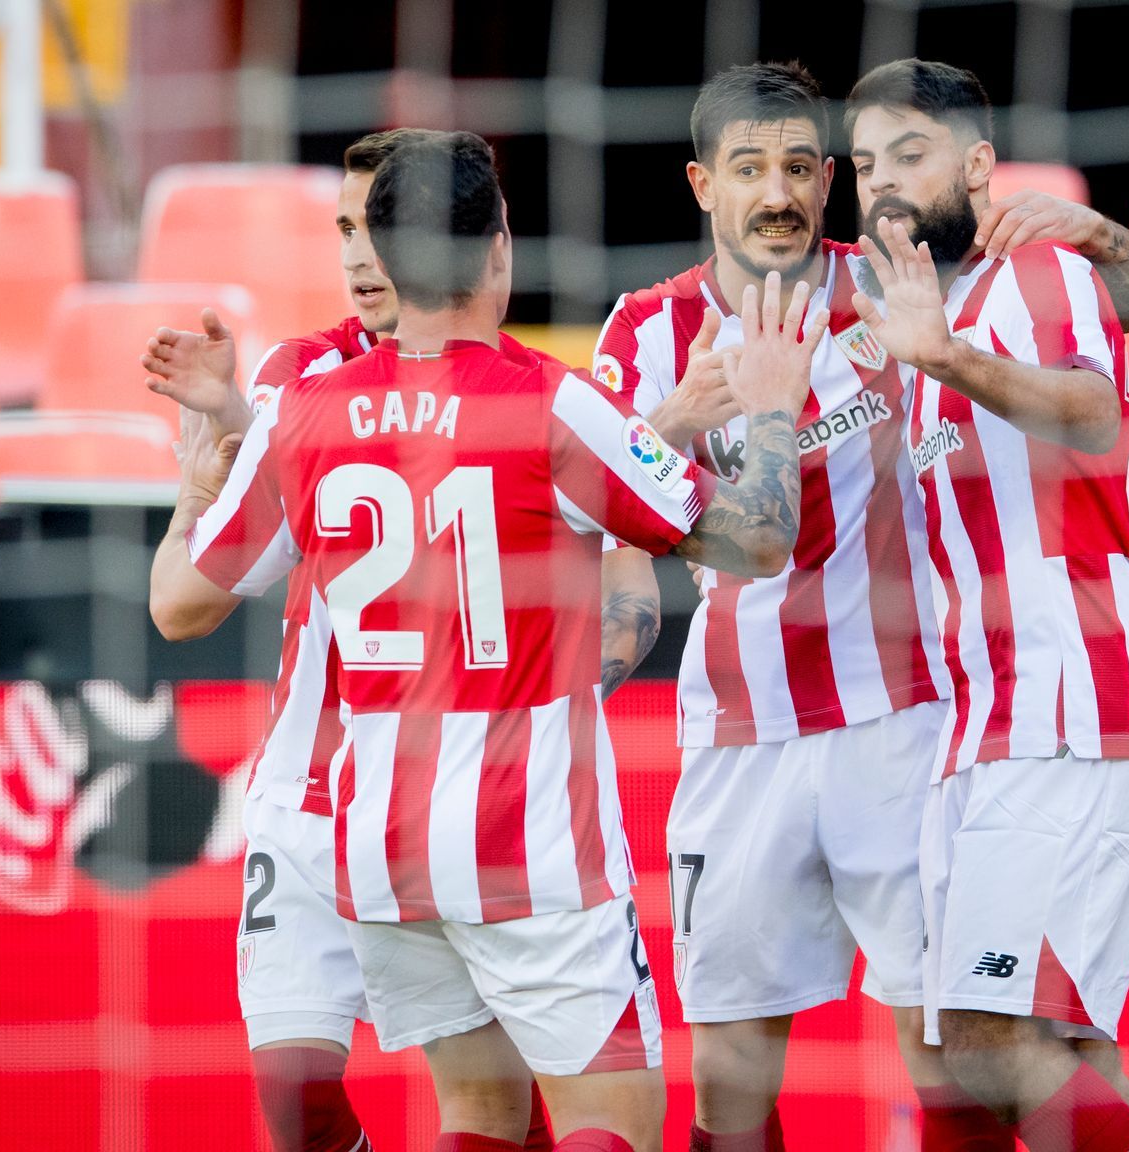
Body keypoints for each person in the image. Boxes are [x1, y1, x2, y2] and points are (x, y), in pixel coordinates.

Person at [170, 128, 825, 1152]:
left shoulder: (306, 411)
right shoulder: (550, 402)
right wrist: (775, 411)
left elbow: (178, 605)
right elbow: (759, 539)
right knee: (612, 1126)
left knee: (477, 1116)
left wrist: (196, 476)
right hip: (530, 847)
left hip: (381, 852)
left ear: (383, 262)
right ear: (501, 249)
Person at [590, 62, 1129, 1152]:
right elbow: (610, 495)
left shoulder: (897, 279)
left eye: (803, 168)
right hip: (737, 730)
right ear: (699, 184)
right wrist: (674, 420)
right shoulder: (645, 331)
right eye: (749, 168)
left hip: (906, 718)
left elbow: (1122, 316)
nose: (779, 192)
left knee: (954, 1046)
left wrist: (1088, 232)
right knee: (726, 1072)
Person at [146, 129, 577, 1151]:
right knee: (295, 1099)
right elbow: (181, 605)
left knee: (491, 1100)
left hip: (453, 798)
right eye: (342, 228)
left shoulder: (525, 393)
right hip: (306, 796)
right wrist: (203, 474)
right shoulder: (301, 383)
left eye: (376, 227)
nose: (355, 255)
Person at [842, 59, 1129, 1152]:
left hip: (1069, 709)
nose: (882, 183)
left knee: (985, 1041)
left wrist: (951, 357)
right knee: (1031, 1044)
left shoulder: (1035, 268)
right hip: (984, 728)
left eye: (909, 154)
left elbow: (1092, 412)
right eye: (863, 164)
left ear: (977, 165)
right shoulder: (916, 322)